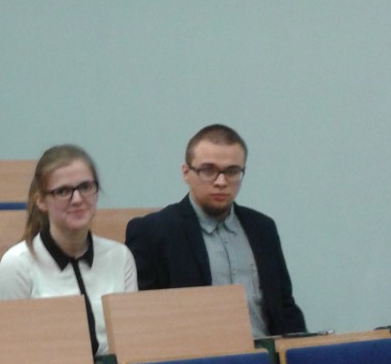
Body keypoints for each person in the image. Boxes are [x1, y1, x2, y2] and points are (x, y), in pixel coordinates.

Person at [125, 124, 305, 337]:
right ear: (186, 173)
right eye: (208, 170)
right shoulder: (153, 232)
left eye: (232, 172)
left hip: (266, 352)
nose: (221, 182)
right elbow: (144, 320)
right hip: (195, 355)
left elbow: (284, 307)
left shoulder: (262, 228)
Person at [0, 143, 137, 355]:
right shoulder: (17, 263)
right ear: (41, 201)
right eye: (63, 191)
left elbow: (131, 341)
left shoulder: (120, 256)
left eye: (86, 187)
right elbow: (10, 350)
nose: (77, 199)